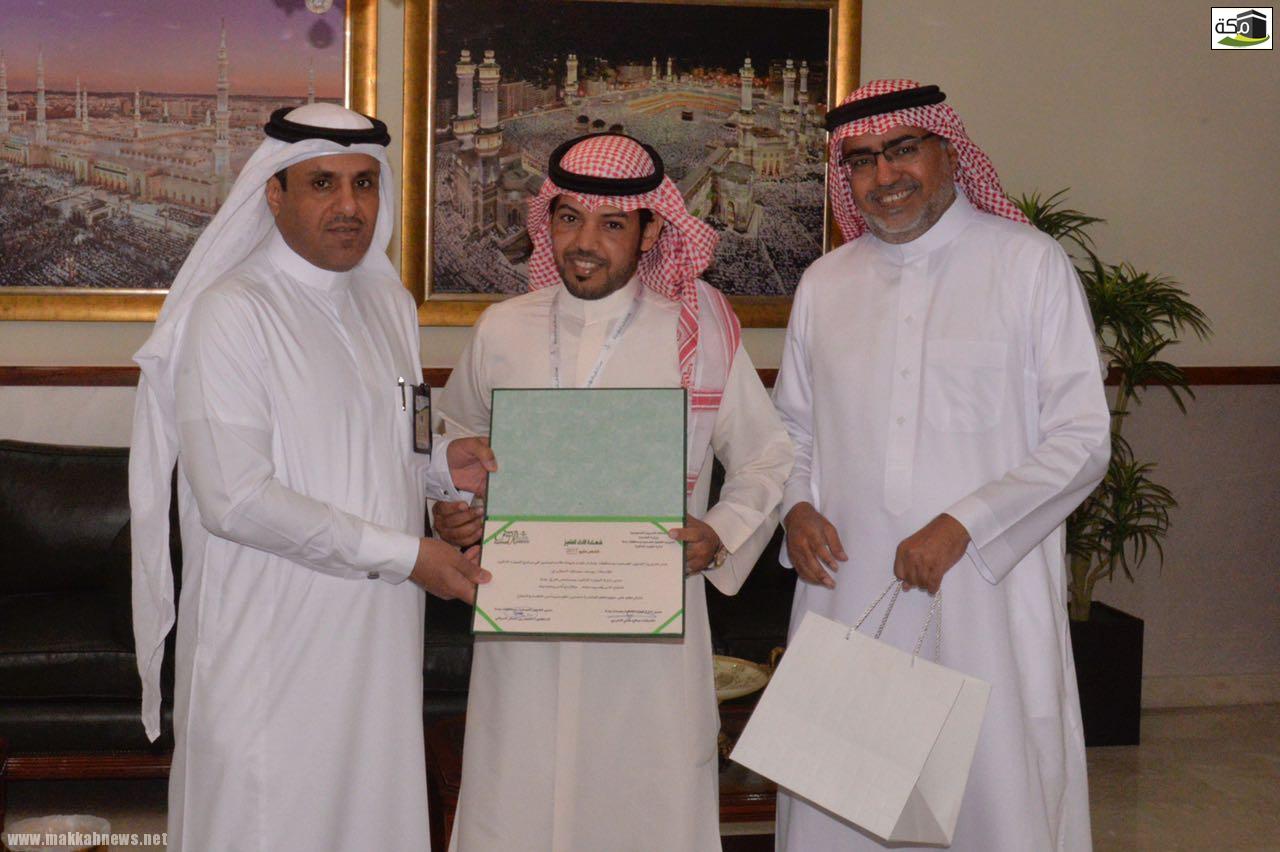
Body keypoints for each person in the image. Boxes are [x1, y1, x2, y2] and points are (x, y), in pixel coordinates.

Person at [129, 103, 495, 852]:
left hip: (378, 637)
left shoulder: (390, 303)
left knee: (369, 815)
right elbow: (235, 500)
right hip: (270, 637)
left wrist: (442, 468)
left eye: (365, 183)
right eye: (323, 183)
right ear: (274, 192)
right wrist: (408, 556)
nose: (349, 206)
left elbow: (399, 432)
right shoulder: (231, 312)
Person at [772, 80, 1111, 851]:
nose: (883, 175)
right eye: (861, 161)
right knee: (840, 805)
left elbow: (1081, 437)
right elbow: (793, 427)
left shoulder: (1027, 265)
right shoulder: (826, 284)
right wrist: (795, 506)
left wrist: (964, 525)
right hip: (847, 590)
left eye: (902, 150)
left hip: (984, 591)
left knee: (993, 797)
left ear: (949, 153)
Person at [433, 132, 793, 851]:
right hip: (524, 626)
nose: (585, 244)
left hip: (648, 631)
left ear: (651, 231)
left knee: (642, 805)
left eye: (612, 224)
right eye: (569, 219)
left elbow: (766, 457)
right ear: (548, 221)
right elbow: (456, 440)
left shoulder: (697, 334)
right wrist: (451, 508)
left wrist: (720, 531)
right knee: (517, 797)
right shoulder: (504, 329)